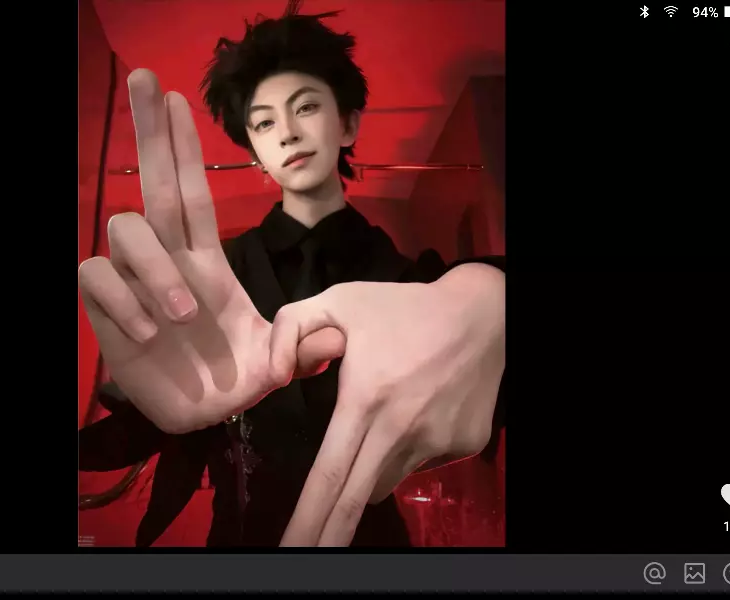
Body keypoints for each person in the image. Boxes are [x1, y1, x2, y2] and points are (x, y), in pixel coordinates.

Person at [78, 1, 506, 547]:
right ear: (255, 150)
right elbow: (154, 418)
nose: (286, 132)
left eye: (305, 107)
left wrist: (494, 295)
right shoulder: (218, 273)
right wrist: (147, 403)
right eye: (263, 122)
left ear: (347, 123)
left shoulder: (411, 280)